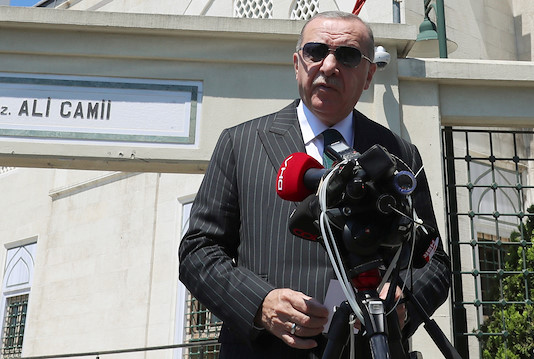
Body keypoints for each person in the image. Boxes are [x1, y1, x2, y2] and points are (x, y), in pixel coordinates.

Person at [179, 11, 451, 359]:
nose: (328, 66)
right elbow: (197, 251)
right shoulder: (241, 143)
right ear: (297, 64)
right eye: (316, 51)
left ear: (368, 75)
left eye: (348, 56)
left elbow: (434, 260)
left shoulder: (399, 154)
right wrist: (261, 303)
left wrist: (403, 306)